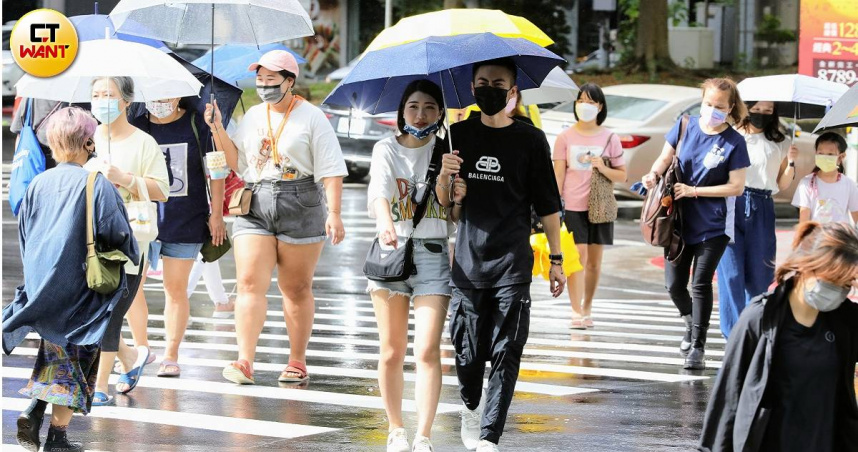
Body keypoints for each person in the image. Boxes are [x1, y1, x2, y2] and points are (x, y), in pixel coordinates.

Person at [435, 58, 566, 452]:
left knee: (507, 350)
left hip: (512, 263)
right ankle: (471, 404)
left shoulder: (530, 140)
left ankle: (490, 435)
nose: (489, 88)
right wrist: (446, 177)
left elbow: (548, 206)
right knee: (468, 352)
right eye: (482, 82)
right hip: (468, 263)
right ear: (472, 88)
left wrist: (556, 260)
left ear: (512, 91)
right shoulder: (456, 136)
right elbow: (445, 209)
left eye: (498, 83)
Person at [204, 50, 348, 385]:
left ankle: (297, 360)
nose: (265, 87)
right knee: (249, 282)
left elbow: (331, 170)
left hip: (301, 199)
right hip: (255, 199)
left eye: (272, 80)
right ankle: (244, 360)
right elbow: (236, 162)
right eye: (260, 81)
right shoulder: (254, 115)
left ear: (290, 82)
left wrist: (336, 213)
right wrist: (216, 128)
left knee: (295, 287)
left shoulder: (312, 118)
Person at [2, 107, 139, 452]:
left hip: (43, 283)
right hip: (84, 286)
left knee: (58, 353)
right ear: (88, 143)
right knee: (77, 356)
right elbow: (118, 233)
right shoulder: (96, 183)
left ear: (52, 143)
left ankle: (39, 415)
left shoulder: (37, 184)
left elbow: (26, 235)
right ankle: (54, 434)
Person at [698, 221, 858, 452]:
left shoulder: (845, 322)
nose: (838, 291)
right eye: (833, 280)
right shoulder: (761, 318)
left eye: (846, 284)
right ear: (807, 266)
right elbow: (728, 398)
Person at [366, 80, 452, 452]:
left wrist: (448, 175)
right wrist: (385, 223)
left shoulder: (448, 150)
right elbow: (378, 193)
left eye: (430, 107)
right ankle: (396, 429)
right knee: (391, 351)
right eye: (414, 106)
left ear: (441, 113)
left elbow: (453, 211)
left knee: (428, 350)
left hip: (434, 255)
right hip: (391, 253)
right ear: (402, 111)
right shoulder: (385, 148)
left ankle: (424, 435)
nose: (421, 114)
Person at [643, 77, 749, 370]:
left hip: (713, 224)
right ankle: (690, 322)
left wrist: (695, 191)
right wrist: (652, 175)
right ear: (701, 101)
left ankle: (698, 348)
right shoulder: (684, 125)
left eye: (719, 107)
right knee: (673, 285)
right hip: (676, 220)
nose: (712, 110)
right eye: (708, 104)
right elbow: (665, 158)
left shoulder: (734, 142)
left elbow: (737, 187)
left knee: (700, 283)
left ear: (730, 109)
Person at [84, 76, 170, 402]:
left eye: (108, 94)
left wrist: (124, 179)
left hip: (130, 240)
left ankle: (100, 385)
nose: (101, 100)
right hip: (90, 240)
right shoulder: (85, 138)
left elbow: (162, 190)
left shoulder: (143, 142)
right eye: (96, 94)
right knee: (93, 311)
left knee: (113, 311)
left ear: (126, 102)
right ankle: (131, 356)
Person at [130, 96, 227, 378]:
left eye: (167, 95)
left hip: (186, 217)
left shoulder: (198, 123)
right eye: (154, 95)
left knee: (176, 289)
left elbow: (217, 169)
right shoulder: (136, 125)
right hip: (141, 218)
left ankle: (171, 353)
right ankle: (141, 348)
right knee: (132, 287)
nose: (160, 101)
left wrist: (216, 213)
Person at [715, 101, 799, 339]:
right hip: (732, 202)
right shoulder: (732, 135)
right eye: (757, 108)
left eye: (767, 110)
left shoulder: (781, 142)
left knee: (760, 274)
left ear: (774, 113)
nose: (761, 114)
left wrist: (791, 162)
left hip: (762, 205)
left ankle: (754, 330)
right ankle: (733, 336)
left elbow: (782, 185)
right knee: (730, 273)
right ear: (747, 107)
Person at [552, 83, 626, 329]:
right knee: (578, 257)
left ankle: (587, 307)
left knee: (594, 262)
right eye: (581, 100)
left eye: (591, 102)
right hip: (572, 206)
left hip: (600, 207)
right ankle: (575, 310)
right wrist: (554, 205)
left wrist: (603, 167)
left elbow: (622, 176)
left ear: (600, 107)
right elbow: (558, 175)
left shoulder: (610, 138)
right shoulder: (565, 137)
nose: (585, 105)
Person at [791, 132, 858, 226]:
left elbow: (856, 216)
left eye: (830, 154)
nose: (825, 157)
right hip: (816, 238)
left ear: (841, 157)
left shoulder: (849, 185)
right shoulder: (806, 183)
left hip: (841, 238)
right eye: (821, 153)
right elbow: (804, 221)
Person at [10, 97, 64, 169]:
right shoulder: (76, 95)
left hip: (34, 161)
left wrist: (18, 163)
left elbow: (20, 134)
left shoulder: (31, 94)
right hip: (65, 159)